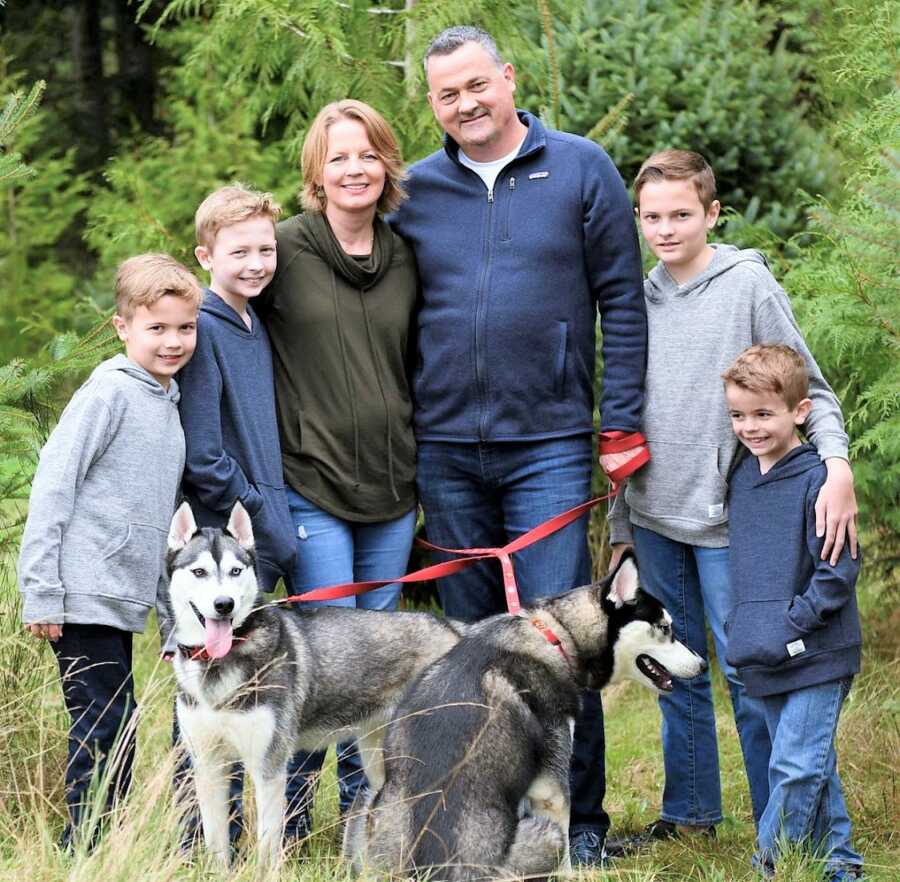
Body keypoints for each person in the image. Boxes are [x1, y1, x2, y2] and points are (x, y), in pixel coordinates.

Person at [389, 26, 649, 866]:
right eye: (445, 94)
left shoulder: (581, 167)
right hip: (446, 451)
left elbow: (624, 302)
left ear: (507, 78)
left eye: (476, 85)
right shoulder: (415, 191)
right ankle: (480, 825)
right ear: (431, 103)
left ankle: (582, 830)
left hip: (549, 446)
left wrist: (621, 422)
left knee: (562, 644)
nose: (465, 104)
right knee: (468, 652)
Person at [606, 150, 859, 854]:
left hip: (727, 525)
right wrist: (622, 521)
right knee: (676, 667)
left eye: (682, 214)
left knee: (754, 673)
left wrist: (835, 465)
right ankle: (689, 812)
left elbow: (814, 389)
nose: (666, 228)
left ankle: (779, 826)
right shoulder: (638, 296)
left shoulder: (745, 283)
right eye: (652, 216)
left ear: (712, 213)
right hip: (657, 518)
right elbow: (627, 417)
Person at [254, 99, 418, 842]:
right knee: (319, 658)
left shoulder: (405, 254)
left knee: (380, 664)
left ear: (386, 164)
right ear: (316, 174)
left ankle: (366, 824)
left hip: (392, 493)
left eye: (367, 154)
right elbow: (217, 319)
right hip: (311, 487)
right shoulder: (281, 251)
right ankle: (285, 823)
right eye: (338, 157)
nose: (354, 169)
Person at [18, 254, 201, 849]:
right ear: (123, 327)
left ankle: (104, 846)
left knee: (116, 725)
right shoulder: (108, 395)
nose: (172, 342)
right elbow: (53, 486)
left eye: (184, 328)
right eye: (157, 328)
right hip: (81, 595)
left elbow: (157, 529)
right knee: (103, 728)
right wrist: (42, 590)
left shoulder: (166, 405)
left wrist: (175, 620)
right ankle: (85, 850)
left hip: (119, 595)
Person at [172, 184, 297, 848]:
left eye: (264, 249)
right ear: (205, 256)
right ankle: (196, 839)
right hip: (221, 545)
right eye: (238, 251)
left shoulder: (256, 324)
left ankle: (260, 833)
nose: (254, 262)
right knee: (199, 685)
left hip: (261, 535)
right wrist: (263, 518)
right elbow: (206, 453)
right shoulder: (208, 328)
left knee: (248, 682)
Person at [723, 344, 863, 882]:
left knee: (795, 767)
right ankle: (841, 866)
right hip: (764, 649)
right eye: (738, 415)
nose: (750, 427)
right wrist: (751, 628)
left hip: (817, 649)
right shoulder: (741, 479)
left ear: (800, 412)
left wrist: (795, 624)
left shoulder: (818, 481)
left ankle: (770, 868)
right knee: (815, 767)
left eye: (764, 414)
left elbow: (838, 570)